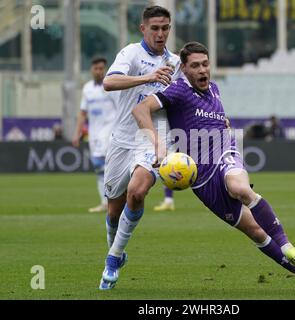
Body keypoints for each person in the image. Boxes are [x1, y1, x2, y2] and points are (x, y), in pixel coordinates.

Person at [131, 42, 295, 292]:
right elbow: (140, 109)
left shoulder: (214, 89)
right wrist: (158, 145)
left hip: (224, 153)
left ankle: (287, 246)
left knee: (239, 186)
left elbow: (216, 122)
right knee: (256, 232)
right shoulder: (177, 91)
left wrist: (225, 128)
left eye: (205, 64)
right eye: (195, 66)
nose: (202, 70)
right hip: (203, 180)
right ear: (184, 69)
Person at [99, 6, 183, 290]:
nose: (161, 34)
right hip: (122, 138)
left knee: (137, 190)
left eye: (166, 28)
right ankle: (117, 251)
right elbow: (109, 82)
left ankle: (111, 261)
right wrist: (148, 77)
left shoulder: (176, 62)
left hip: (153, 138)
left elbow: (185, 97)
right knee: (113, 210)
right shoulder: (131, 53)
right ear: (143, 28)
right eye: (155, 28)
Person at [72, 56, 117, 213]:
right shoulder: (87, 88)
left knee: (105, 166)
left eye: (101, 69)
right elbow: (83, 113)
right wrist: (77, 133)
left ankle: (112, 201)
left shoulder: (110, 86)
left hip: (111, 132)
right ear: (91, 70)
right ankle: (105, 202)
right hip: (94, 134)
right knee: (99, 168)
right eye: (96, 69)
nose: (99, 72)